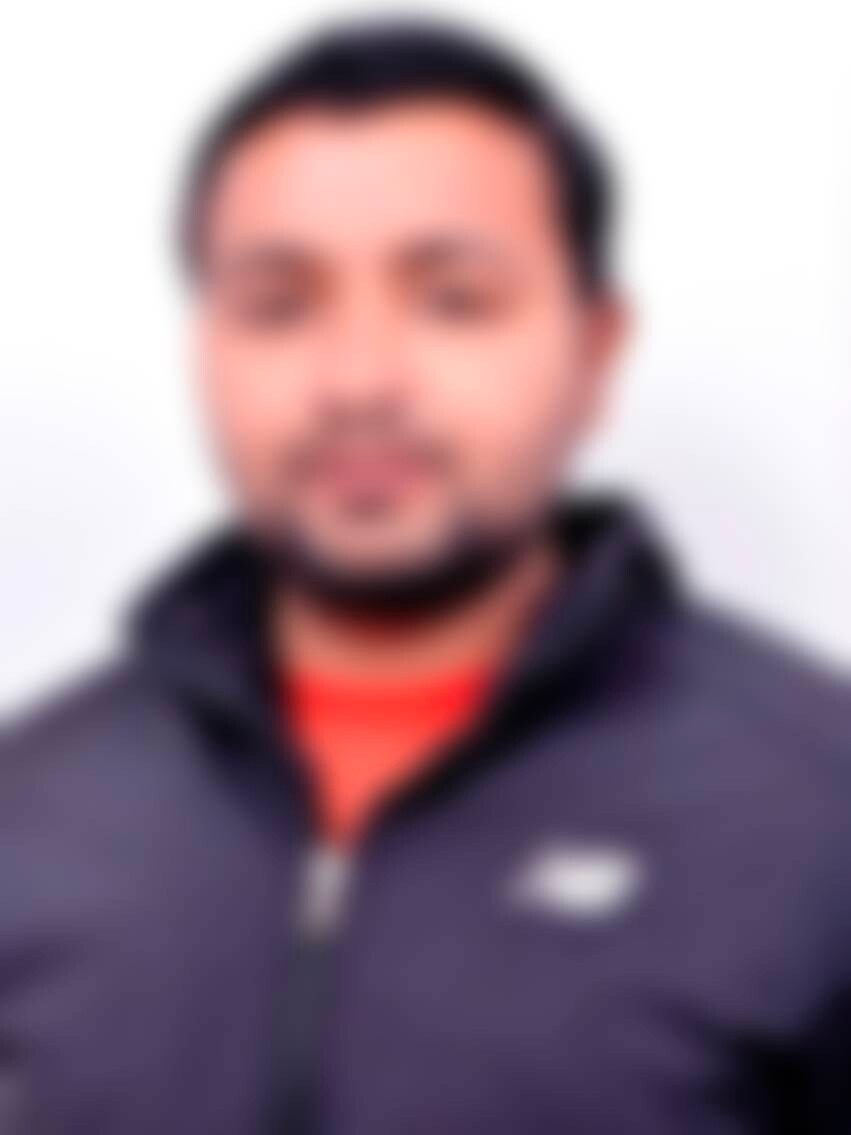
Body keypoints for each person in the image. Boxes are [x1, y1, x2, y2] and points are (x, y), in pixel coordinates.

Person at [3, 16, 850, 1135]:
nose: (359, 379)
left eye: (454, 299)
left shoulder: (817, 805)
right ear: (205, 345)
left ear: (594, 350)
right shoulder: (30, 810)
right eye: (278, 306)